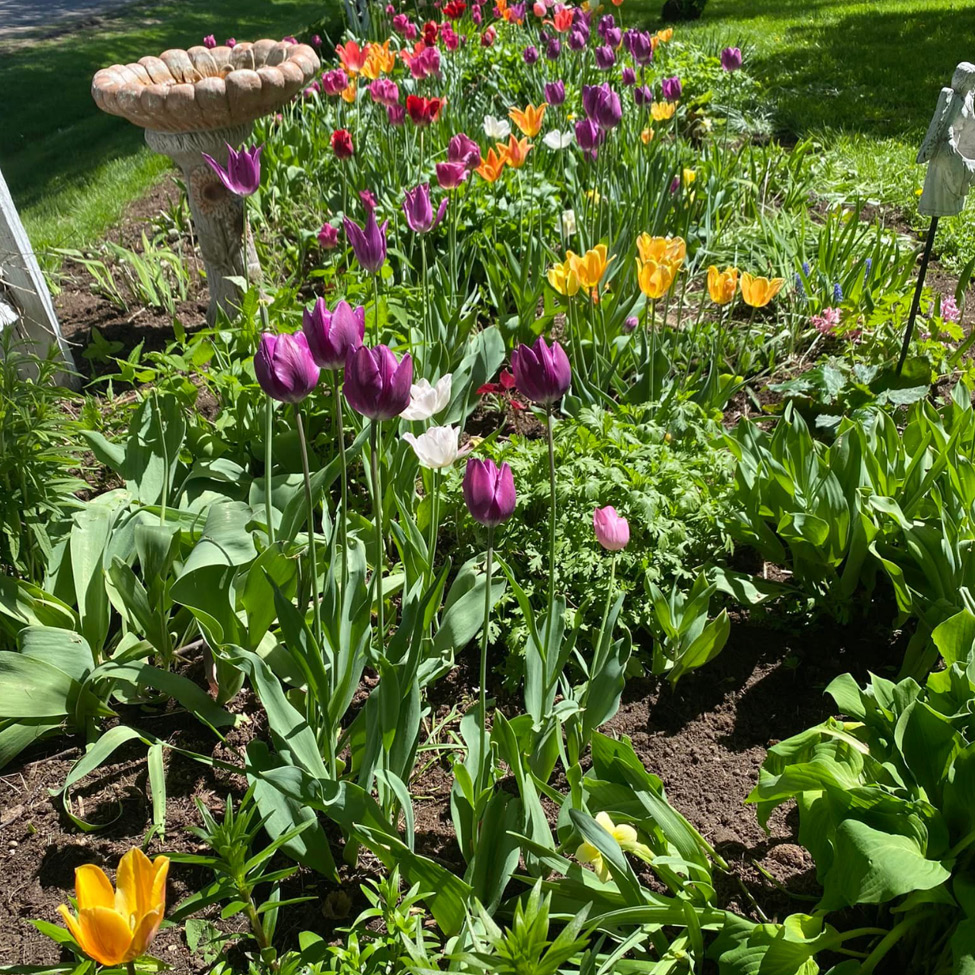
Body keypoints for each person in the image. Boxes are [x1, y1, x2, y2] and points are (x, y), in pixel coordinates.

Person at [917, 62, 975, 217]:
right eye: (970, 81)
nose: (972, 84)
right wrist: (948, 138)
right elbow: (945, 122)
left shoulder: (967, 100)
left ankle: (958, 190)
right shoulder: (953, 99)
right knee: (962, 171)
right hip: (946, 148)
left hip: (957, 145)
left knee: (966, 169)